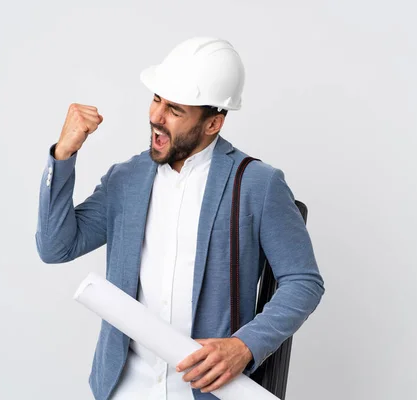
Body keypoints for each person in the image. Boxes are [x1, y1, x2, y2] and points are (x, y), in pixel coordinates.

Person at [36, 37, 325, 400]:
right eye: (157, 99)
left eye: (174, 109)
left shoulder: (257, 184)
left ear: (212, 124)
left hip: (210, 392)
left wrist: (244, 346)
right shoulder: (125, 179)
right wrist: (64, 154)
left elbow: (303, 282)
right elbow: (55, 247)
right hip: (122, 389)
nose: (155, 116)